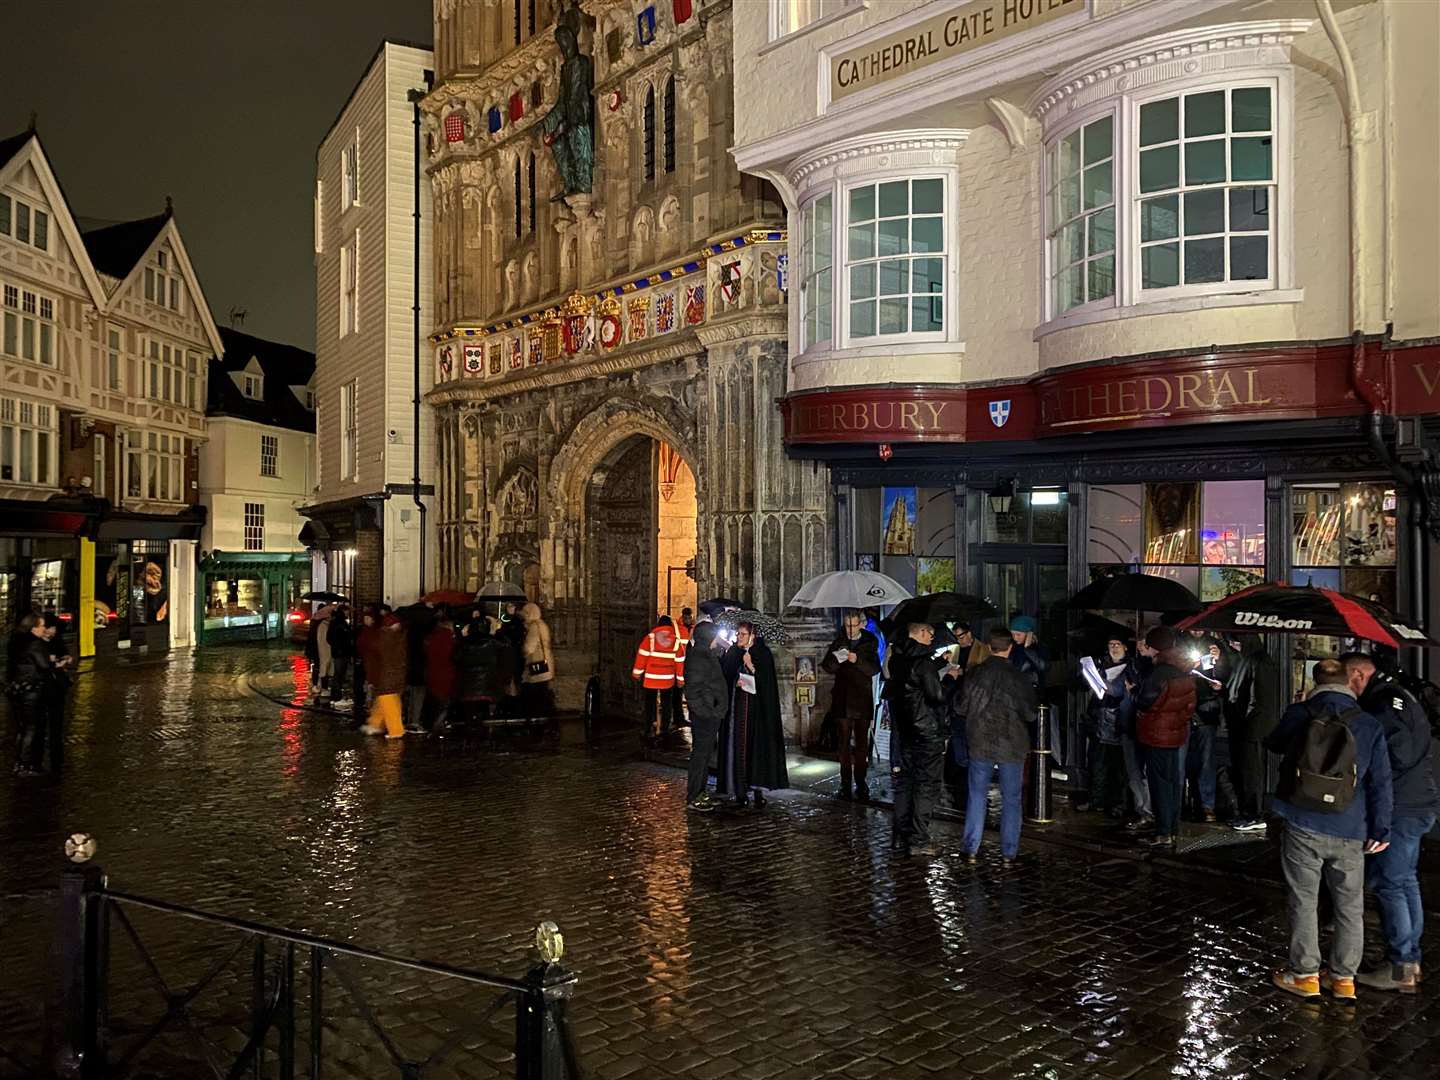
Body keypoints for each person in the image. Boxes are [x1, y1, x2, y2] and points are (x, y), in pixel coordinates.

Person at [1266, 659, 1392, 1001]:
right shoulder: (1368, 723)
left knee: (1304, 899)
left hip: (1302, 820)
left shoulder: (1301, 712)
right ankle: (1344, 979)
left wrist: (1300, 707)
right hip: (1350, 825)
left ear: (1315, 682)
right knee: (1350, 906)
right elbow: (1380, 781)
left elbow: (1273, 744)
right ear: (1349, 683)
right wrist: (1381, 828)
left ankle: (1304, 974)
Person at [1343, 652, 1436, 993]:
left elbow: (1394, 756)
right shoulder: (1398, 696)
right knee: (1404, 881)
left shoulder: (1385, 704)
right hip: (1417, 803)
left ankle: (1401, 967)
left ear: (1356, 675)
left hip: (1400, 807)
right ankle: (1409, 961)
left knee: (1390, 884)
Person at [956, 628, 1037, 865]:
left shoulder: (975, 674)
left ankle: (971, 848)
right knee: (1011, 798)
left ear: (990, 647)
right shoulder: (1019, 677)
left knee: (977, 795)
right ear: (1010, 647)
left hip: (981, 740)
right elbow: (1031, 715)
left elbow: (961, 708)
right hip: (1012, 743)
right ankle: (1008, 853)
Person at [1133, 626, 1197, 850]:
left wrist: (1134, 692)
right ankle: (1172, 828)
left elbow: (1145, 701)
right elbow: (1189, 706)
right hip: (1176, 732)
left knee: (1159, 783)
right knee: (1171, 782)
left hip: (1157, 734)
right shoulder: (1183, 669)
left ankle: (1162, 832)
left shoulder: (1159, 673)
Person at [887, 623, 948, 855]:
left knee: (905, 783)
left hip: (905, 731)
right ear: (921, 633)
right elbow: (936, 696)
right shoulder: (923, 663)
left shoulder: (898, 659)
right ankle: (919, 840)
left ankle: (900, 836)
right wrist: (947, 678)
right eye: (931, 634)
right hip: (926, 732)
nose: (932, 638)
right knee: (926, 785)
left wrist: (938, 665)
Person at [718, 622, 789, 808]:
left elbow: (767, 684)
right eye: (738, 634)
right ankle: (740, 791)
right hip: (738, 711)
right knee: (739, 750)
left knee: (756, 750)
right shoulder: (733, 652)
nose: (739, 637)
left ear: (752, 635)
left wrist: (752, 667)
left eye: (743, 634)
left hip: (758, 712)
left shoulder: (762, 654)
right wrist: (735, 681)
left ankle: (757, 790)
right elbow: (724, 676)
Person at [820, 610, 881, 801]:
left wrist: (857, 660)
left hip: (862, 700)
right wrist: (838, 660)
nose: (850, 630)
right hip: (842, 700)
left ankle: (861, 784)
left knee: (861, 745)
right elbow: (827, 666)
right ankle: (845, 784)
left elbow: (874, 668)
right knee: (843, 745)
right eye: (847, 626)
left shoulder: (870, 642)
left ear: (861, 625)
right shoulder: (839, 641)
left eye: (853, 626)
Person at [1228, 636, 1282, 832]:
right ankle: (1248, 812)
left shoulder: (1259, 662)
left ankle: (1253, 814)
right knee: (1245, 771)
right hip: (1245, 725)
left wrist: (1250, 724)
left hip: (1252, 727)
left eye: (1236, 642)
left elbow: (1260, 699)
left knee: (1251, 771)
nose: (1233, 645)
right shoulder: (1248, 660)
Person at [1079, 637, 1134, 817]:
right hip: (1098, 720)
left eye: (1118, 644)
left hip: (1117, 721)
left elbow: (1117, 691)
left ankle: (1118, 803)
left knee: (1118, 767)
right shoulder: (1101, 663)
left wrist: (1102, 681)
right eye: (1111, 644)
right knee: (1097, 764)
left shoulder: (1130, 667)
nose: (1114, 648)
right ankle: (1096, 800)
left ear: (1125, 647)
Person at [683, 622, 729, 812]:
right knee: (700, 756)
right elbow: (693, 690)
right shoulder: (699, 656)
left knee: (705, 755)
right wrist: (708, 711)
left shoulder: (705, 653)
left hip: (710, 714)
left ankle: (701, 792)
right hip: (705, 716)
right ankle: (694, 796)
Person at [8, 613, 56, 776]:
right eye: (41, 626)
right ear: (33, 627)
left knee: (23, 728)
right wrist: (52, 660)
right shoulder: (34, 644)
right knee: (31, 728)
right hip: (30, 689)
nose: (44, 628)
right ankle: (24, 764)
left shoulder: (16, 641)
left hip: (17, 688)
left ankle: (19, 762)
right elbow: (44, 666)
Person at [1187, 639, 1226, 822]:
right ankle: (1189, 803)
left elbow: (1226, 679)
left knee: (1206, 760)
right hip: (1186, 710)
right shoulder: (1182, 643)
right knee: (1188, 760)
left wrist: (1218, 668)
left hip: (1206, 712)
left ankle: (1206, 805)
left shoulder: (1215, 646)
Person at [450, 615, 510, 734]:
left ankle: (471, 732)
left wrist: (462, 636)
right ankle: (479, 733)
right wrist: (496, 630)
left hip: (467, 685)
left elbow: (455, 657)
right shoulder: (492, 642)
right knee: (481, 714)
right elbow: (506, 645)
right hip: (486, 685)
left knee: (469, 714)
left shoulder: (465, 643)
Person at [632, 616, 683, 740]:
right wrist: (680, 680)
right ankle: (665, 729)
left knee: (649, 703)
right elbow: (680, 661)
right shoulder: (676, 641)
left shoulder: (650, 638)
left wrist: (637, 673)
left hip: (651, 678)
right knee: (666, 704)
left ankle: (648, 728)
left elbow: (642, 656)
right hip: (667, 678)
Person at [360, 610, 408, 739]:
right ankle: (375, 723)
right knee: (386, 699)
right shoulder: (400, 637)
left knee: (388, 700)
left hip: (386, 674)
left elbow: (374, 655)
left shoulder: (385, 638)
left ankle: (396, 730)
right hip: (395, 674)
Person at [518, 602, 555, 719]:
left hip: (536, 665)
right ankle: (546, 720)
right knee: (543, 691)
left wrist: (521, 649)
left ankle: (537, 720)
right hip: (546, 664)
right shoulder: (542, 624)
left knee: (535, 693)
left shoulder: (534, 626)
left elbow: (529, 648)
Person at [423, 613, 458, 733]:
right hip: (446, 673)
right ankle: (438, 724)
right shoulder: (450, 638)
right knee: (444, 702)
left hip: (433, 673)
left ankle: (431, 723)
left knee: (435, 700)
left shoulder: (431, 638)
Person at [1009, 615, 1050, 691]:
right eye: (1012, 634)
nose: (1015, 637)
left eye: (1018, 634)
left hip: (1032, 693)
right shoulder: (1012, 647)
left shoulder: (1040, 648)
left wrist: (1028, 650)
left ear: (1029, 634)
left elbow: (1043, 667)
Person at [313, 604, 337, 701]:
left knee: (326, 668)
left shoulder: (326, 625)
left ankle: (322, 687)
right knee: (324, 668)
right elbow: (323, 641)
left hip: (326, 651)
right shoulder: (323, 626)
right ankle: (323, 688)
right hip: (324, 652)